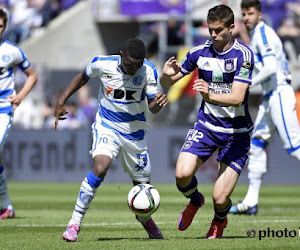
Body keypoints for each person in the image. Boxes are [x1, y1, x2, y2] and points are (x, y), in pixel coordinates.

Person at [54, 38, 167, 242]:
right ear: (122, 55)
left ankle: (145, 219)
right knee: (100, 166)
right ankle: (74, 223)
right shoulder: (103, 64)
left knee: (142, 186)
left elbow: (152, 106)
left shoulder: (148, 70)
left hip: (135, 134)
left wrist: (159, 103)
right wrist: (62, 101)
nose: (134, 69)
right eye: (130, 64)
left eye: (138, 64)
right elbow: (83, 77)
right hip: (107, 126)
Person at [160, 4, 254, 239]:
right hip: (207, 127)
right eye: (210, 30)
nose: (213, 35)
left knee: (220, 198)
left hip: (237, 132)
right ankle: (195, 200)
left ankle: (219, 221)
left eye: (218, 30)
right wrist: (165, 73)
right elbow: (167, 83)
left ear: (232, 27)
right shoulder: (198, 53)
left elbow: (237, 97)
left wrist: (209, 94)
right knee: (182, 174)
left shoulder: (244, 55)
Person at [229, 0, 300, 215]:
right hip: (270, 97)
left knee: (295, 147)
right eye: (244, 14)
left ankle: (251, 201)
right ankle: (251, 201)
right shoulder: (258, 34)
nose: (247, 17)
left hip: (279, 92)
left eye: (250, 13)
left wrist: (247, 84)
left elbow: (270, 68)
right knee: (257, 144)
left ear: (259, 14)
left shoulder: (264, 34)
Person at [0, 8, 38, 219]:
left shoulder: (11, 51)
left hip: (3, 109)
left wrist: (21, 96)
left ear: (5, 27)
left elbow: (32, 76)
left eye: (1, 26)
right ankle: (6, 206)